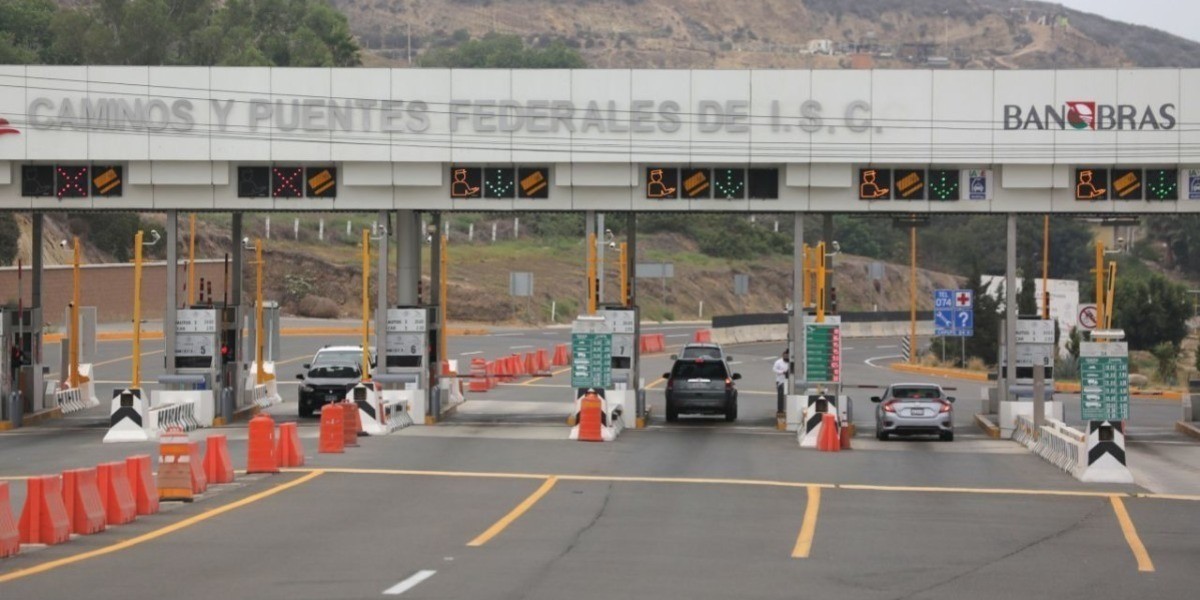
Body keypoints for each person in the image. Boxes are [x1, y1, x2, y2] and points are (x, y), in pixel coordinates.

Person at [774, 349, 790, 415]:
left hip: (789, 382)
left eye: (787, 356)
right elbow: (774, 369)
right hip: (780, 381)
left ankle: (788, 409)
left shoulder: (790, 362)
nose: (786, 357)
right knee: (780, 396)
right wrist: (782, 372)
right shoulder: (778, 362)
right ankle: (780, 410)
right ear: (783, 355)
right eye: (785, 356)